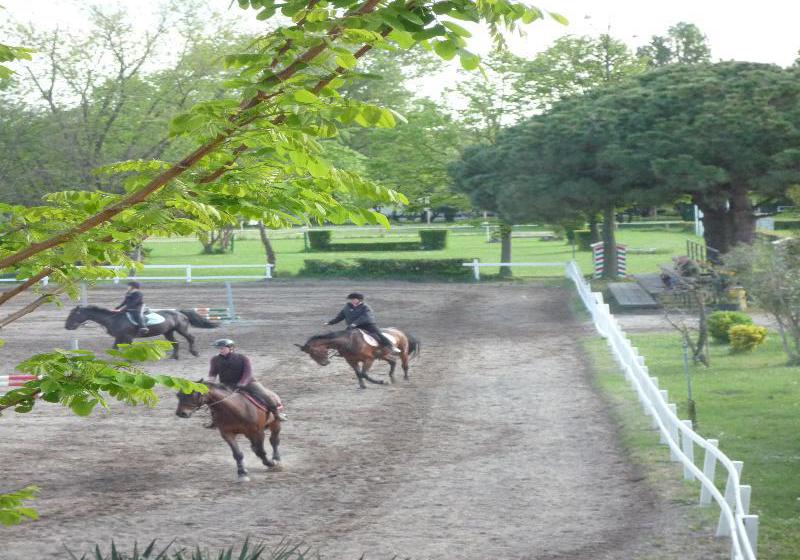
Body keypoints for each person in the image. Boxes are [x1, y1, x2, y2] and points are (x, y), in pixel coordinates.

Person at [206, 339, 286, 424]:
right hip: (226, 384)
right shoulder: (215, 359)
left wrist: (242, 383)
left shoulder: (242, 358)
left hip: (248, 382)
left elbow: (248, 372)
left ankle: (276, 414)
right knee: (214, 399)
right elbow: (213, 373)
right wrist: (210, 383)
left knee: (264, 395)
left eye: (223, 348)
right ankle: (214, 420)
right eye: (219, 349)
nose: (221, 350)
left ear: (231, 348)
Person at [325, 293, 400, 354]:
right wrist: (330, 322)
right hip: (352, 326)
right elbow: (340, 316)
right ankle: (340, 351)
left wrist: (355, 323)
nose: (352, 300)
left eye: (354, 299)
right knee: (344, 336)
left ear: (359, 300)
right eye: (351, 299)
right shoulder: (347, 307)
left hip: (367, 325)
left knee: (378, 334)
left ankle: (391, 346)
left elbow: (365, 317)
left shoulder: (365, 307)